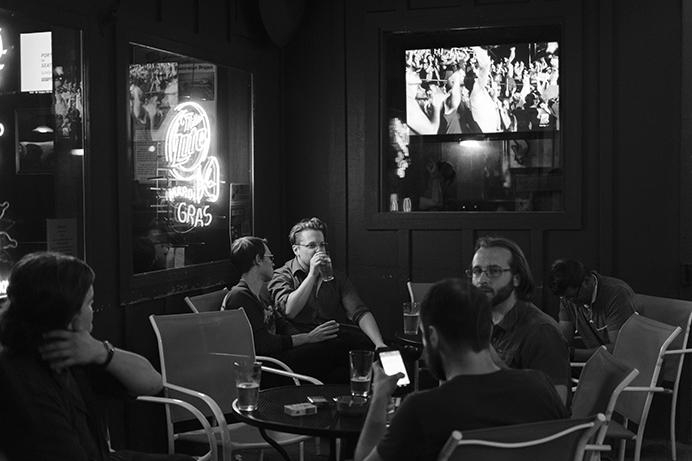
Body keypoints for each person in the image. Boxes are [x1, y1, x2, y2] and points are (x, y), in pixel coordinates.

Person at [0, 252, 193, 461]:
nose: (93, 312)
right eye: (89, 304)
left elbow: (153, 383)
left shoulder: (78, 350)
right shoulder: (23, 378)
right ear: (68, 314)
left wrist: (102, 352)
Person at [354, 279, 568, 461]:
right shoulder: (541, 388)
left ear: (433, 336)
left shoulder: (421, 409)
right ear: (489, 329)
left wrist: (380, 397)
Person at [223, 236, 347, 383]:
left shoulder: (260, 293)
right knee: (336, 351)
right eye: (270, 257)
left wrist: (311, 338)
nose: (273, 262)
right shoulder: (239, 297)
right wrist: (307, 338)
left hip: (279, 356)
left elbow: (281, 324)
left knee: (336, 344)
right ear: (258, 260)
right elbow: (263, 344)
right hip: (267, 367)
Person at [468, 236, 570, 404]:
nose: (482, 280)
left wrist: (492, 360)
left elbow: (554, 406)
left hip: (513, 427)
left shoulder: (541, 331)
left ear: (517, 278)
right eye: (477, 271)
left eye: (494, 271)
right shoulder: (481, 318)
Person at [268, 217, 386, 350]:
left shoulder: (335, 275)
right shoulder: (282, 275)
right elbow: (289, 311)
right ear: (296, 250)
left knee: (380, 350)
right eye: (312, 246)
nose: (319, 250)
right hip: (301, 342)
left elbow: (359, 312)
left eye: (322, 245)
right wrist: (312, 275)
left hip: (331, 338)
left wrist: (379, 343)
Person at [548, 259, 637, 362]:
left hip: (624, 365)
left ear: (586, 281)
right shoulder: (567, 299)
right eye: (564, 298)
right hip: (598, 361)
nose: (570, 302)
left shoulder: (616, 295)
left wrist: (573, 354)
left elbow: (618, 349)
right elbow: (564, 338)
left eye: (572, 297)